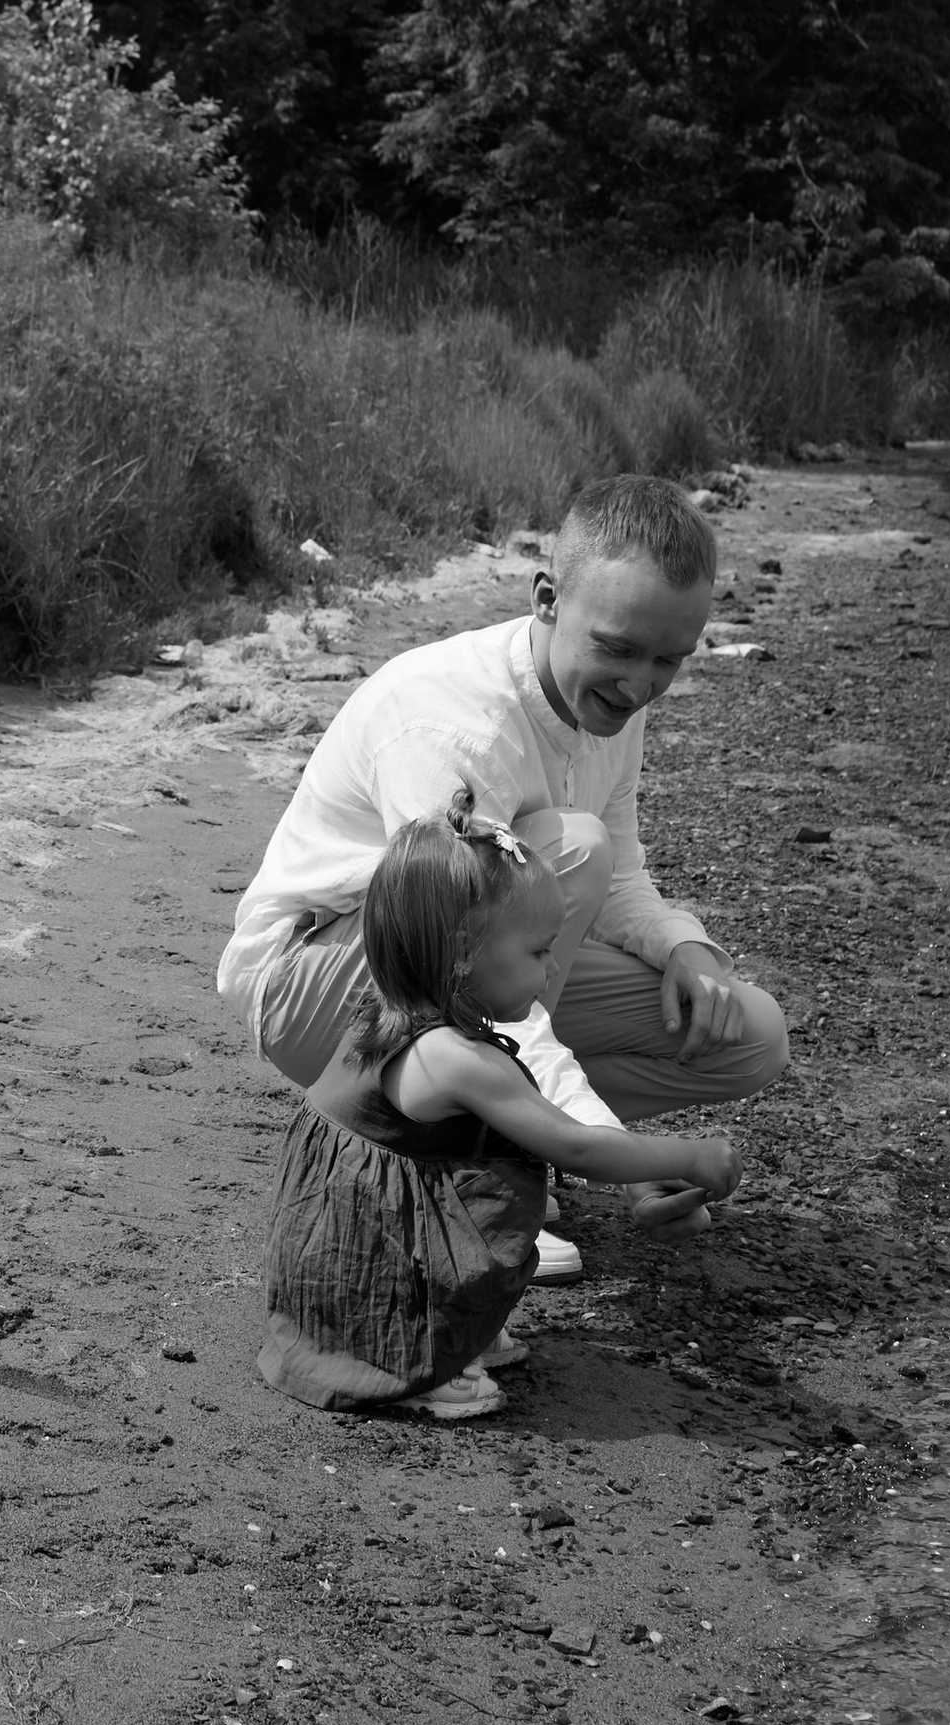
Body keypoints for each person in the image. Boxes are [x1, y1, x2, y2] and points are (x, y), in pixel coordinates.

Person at [220, 472, 785, 1271]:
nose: (640, 684)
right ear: (548, 598)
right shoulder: (455, 728)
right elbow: (458, 956)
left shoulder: (612, 700)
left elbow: (620, 873)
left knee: (747, 1033)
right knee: (567, 851)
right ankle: (477, 1175)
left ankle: (510, 1144)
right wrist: (621, 1153)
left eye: (670, 658)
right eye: (619, 650)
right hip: (317, 978)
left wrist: (683, 948)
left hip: (445, 975)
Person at [263, 799, 739, 1418]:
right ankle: (406, 1355)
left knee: (481, 1163)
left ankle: (433, 1323)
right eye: (541, 952)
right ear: (464, 952)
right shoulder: (452, 1058)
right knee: (501, 1180)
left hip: (332, 1243)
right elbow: (574, 1146)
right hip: (362, 1260)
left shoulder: (389, 1009)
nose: (552, 971)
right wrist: (692, 1156)